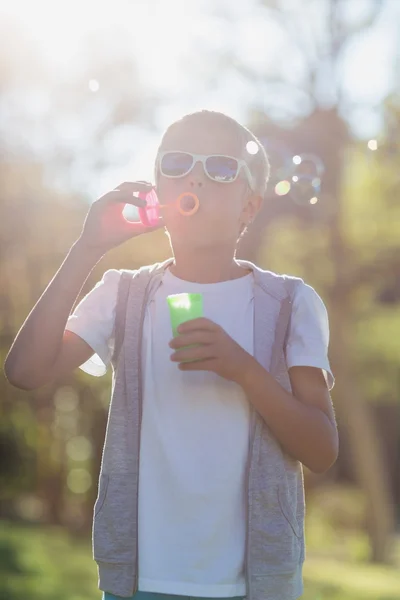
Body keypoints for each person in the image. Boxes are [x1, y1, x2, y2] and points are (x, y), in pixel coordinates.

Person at [5, 110, 338, 600]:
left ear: (249, 207)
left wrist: (244, 369)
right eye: (177, 163)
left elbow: (323, 450)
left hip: (255, 585)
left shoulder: (291, 304)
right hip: (139, 582)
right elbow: (25, 371)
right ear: (159, 193)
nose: (195, 177)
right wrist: (87, 246)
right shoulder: (123, 295)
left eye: (221, 167)